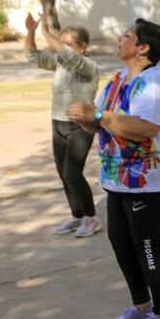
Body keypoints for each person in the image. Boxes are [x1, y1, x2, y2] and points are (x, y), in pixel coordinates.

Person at [67, 19, 160, 319]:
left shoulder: (155, 84)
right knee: (120, 243)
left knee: (147, 245)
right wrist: (87, 119)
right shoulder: (119, 80)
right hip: (120, 178)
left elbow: (142, 128)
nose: (118, 38)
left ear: (142, 48)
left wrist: (96, 115)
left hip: (154, 179)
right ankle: (141, 306)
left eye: (126, 36)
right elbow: (105, 123)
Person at [24, 13, 102, 238]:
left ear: (82, 47)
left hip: (80, 125)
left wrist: (47, 33)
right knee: (63, 172)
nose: (61, 49)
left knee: (72, 172)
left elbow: (68, 55)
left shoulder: (88, 65)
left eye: (67, 44)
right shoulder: (61, 62)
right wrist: (31, 31)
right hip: (58, 122)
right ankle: (78, 216)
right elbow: (33, 56)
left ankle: (92, 217)